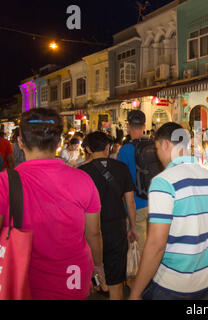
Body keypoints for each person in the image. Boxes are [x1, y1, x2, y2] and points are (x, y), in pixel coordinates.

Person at [0, 108, 104, 300]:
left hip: (25, 280)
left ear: (20, 142)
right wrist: (98, 265)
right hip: (74, 277)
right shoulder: (83, 179)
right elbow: (93, 232)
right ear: (59, 143)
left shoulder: (5, 183)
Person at [129, 122, 208, 300]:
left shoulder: (163, 182)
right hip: (207, 277)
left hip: (175, 283)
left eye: (156, 148)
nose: (157, 154)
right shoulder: (207, 176)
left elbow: (156, 244)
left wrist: (135, 292)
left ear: (165, 144)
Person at [79, 132, 137, 300]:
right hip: (116, 229)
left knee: (91, 282)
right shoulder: (121, 168)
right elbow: (130, 201)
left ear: (88, 149)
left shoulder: (82, 172)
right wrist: (132, 227)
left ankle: (99, 283)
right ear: (108, 147)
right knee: (116, 283)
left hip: (89, 231)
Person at [117, 110, 150, 258]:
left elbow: (121, 182)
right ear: (144, 125)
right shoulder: (155, 145)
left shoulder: (125, 150)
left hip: (135, 205)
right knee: (154, 244)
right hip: (155, 203)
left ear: (128, 126)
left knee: (138, 250)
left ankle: (140, 279)